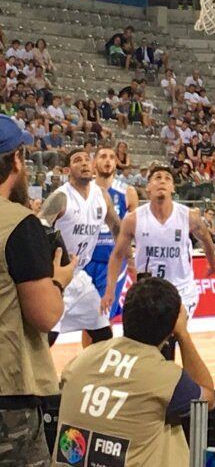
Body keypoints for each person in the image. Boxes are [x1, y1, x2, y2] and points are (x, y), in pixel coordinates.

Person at [55, 277, 215, 467]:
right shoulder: (166, 377)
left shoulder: (83, 359)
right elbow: (208, 398)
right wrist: (183, 335)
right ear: (172, 326)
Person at [0, 115, 76, 465]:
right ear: (16, 160)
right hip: (8, 397)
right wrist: (60, 279)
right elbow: (45, 315)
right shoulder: (18, 223)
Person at [103, 167, 215, 361]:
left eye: (167, 178)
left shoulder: (188, 216)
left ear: (173, 187)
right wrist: (110, 291)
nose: (162, 181)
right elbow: (116, 256)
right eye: (157, 178)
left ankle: (172, 384)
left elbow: (206, 239)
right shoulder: (133, 219)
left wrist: (212, 263)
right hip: (148, 290)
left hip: (181, 289)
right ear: (148, 187)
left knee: (168, 337)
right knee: (143, 345)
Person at [36, 149, 120, 347]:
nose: (83, 163)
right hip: (56, 275)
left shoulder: (102, 196)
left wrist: (128, 253)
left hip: (79, 276)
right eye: (77, 160)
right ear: (67, 170)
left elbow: (116, 226)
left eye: (86, 159)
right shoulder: (61, 197)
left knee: (103, 334)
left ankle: (93, 374)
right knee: (47, 338)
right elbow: (38, 229)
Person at [85, 145, 138, 325]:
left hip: (113, 261)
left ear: (116, 163)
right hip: (86, 260)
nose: (107, 161)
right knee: (87, 319)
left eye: (111, 157)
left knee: (102, 318)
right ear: (94, 163)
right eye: (103, 157)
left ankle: (97, 352)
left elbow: (133, 231)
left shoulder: (128, 192)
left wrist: (131, 261)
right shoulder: (84, 188)